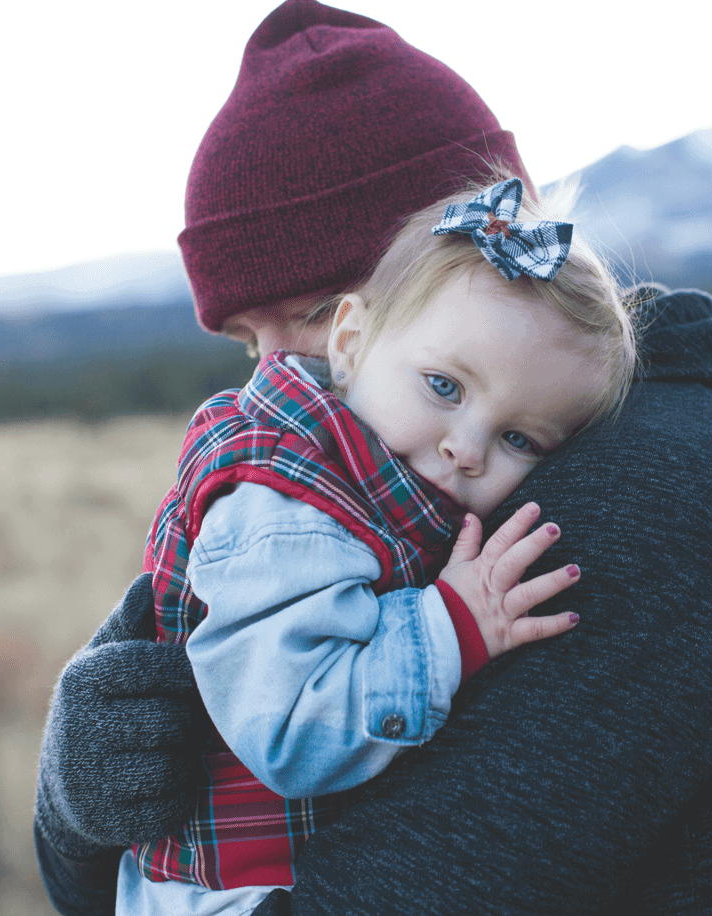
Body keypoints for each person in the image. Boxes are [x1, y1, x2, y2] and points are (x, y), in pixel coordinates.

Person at [34, 2, 712, 914]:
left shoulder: (654, 494)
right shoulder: (363, 484)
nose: (276, 379)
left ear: (470, 257)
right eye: (244, 342)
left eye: (313, 314)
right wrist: (78, 796)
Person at [121, 175, 634, 915]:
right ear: (352, 343)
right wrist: (451, 626)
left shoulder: (383, 477)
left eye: (518, 438)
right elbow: (291, 729)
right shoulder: (284, 507)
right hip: (230, 896)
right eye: (444, 387)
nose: (466, 449)